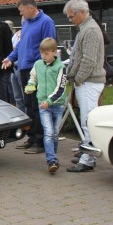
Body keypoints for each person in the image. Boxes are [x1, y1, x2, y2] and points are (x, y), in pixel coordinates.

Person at [2, 0, 56, 154]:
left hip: (37, 71)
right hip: (24, 70)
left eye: (21, 10)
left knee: (38, 106)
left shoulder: (46, 22)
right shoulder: (26, 23)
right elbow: (21, 45)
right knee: (29, 105)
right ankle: (31, 137)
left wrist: (41, 68)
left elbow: (49, 47)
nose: (20, 13)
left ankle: (40, 141)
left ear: (31, 8)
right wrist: (11, 58)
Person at [63, 0, 106, 172]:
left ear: (81, 12)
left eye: (71, 16)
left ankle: (88, 159)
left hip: (89, 82)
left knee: (88, 122)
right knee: (85, 121)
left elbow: (89, 60)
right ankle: (85, 154)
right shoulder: (86, 29)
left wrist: (78, 78)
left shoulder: (91, 30)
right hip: (85, 82)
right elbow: (79, 57)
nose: (70, 20)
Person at [24, 38, 67, 173]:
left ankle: (53, 157)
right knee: (48, 133)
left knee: (54, 134)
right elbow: (33, 78)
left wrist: (50, 100)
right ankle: (51, 161)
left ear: (54, 52)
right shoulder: (38, 64)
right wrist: (30, 85)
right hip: (43, 106)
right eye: (42, 53)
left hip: (57, 105)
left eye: (46, 54)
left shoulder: (61, 67)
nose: (43, 56)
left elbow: (61, 88)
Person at [8, 19, 26, 113]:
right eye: (22, 22)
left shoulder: (28, 35)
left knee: (25, 96)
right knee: (17, 97)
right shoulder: (17, 34)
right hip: (14, 67)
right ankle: (21, 119)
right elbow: (13, 48)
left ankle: (28, 120)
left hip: (23, 67)